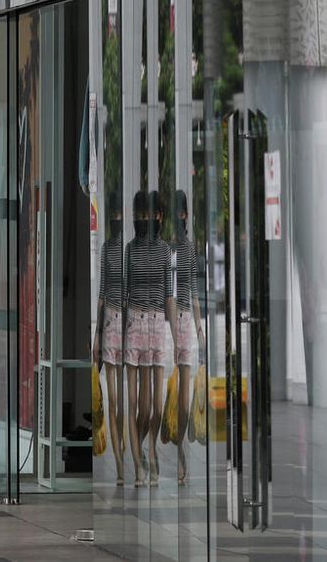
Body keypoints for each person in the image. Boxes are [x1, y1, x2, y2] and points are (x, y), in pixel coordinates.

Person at [124, 190, 179, 487]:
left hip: (157, 324)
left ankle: (147, 450)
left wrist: (176, 339)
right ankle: (138, 466)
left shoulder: (167, 252)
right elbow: (123, 294)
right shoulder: (130, 250)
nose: (145, 220)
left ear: (160, 216)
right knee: (136, 405)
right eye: (140, 215)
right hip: (134, 322)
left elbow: (170, 296)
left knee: (155, 407)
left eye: (150, 215)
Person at [170, 190, 206, 485]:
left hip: (183, 321)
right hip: (161, 324)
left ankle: (181, 454)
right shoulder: (160, 247)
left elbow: (193, 291)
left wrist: (199, 326)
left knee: (183, 397)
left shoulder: (189, 248)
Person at [93, 192, 126, 485]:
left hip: (137, 325)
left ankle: (132, 454)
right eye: (113, 216)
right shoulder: (107, 250)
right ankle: (120, 463)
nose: (116, 221)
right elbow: (102, 295)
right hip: (114, 323)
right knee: (114, 400)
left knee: (138, 403)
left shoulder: (133, 251)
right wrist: (97, 337)